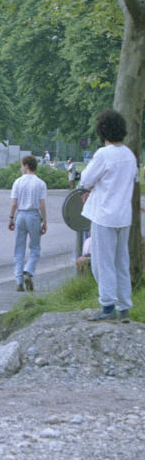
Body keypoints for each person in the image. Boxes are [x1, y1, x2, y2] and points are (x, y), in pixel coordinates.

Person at [80, 109, 138, 322]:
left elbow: (86, 179)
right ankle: (124, 308)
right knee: (121, 261)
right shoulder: (129, 155)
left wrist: (91, 189)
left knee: (102, 262)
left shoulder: (103, 155)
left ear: (102, 131)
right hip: (123, 216)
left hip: (104, 215)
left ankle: (107, 306)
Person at [8, 155, 47, 292]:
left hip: (20, 215)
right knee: (35, 248)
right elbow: (42, 205)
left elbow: (14, 203)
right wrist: (45, 222)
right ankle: (28, 271)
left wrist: (11, 218)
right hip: (34, 216)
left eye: (21, 165)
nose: (21, 168)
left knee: (19, 249)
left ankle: (19, 281)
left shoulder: (17, 182)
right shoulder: (40, 183)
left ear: (26, 166)